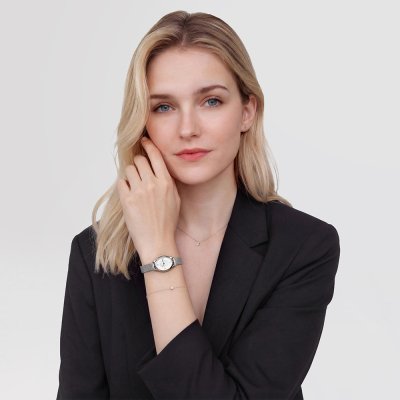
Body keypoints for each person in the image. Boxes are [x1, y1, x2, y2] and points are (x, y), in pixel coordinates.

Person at [56, 10, 340, 400]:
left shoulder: (303, 247)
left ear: (247, 111)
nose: (188, 128)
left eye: (210, 101)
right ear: (143, 122)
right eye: (164, 107)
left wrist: (158, 254)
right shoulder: (94, 254)